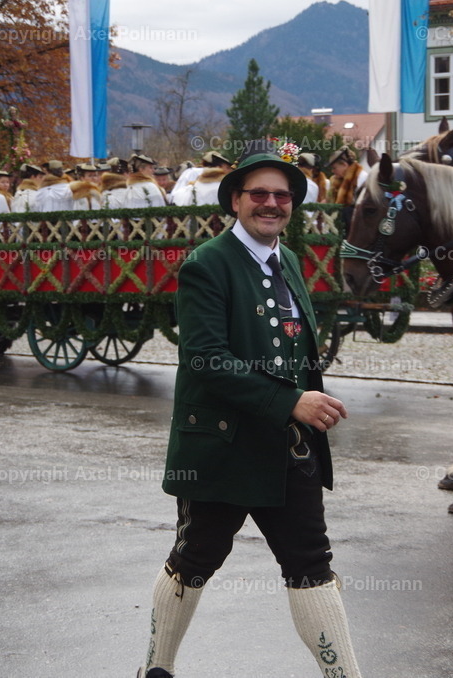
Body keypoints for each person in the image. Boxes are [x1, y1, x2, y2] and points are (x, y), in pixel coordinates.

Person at [138, 140, 362, 678]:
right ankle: (156, 668)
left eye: (282, 196)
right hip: (221, 448)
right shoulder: (206, 265)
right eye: (258, 193)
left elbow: (293, 348)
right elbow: (206, 360)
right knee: (197, 558)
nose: (272, 203)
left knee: (311, 562)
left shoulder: (287, 258)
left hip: (290, 446)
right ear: (235, 201)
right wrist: (292, 401)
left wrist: (305, 403)